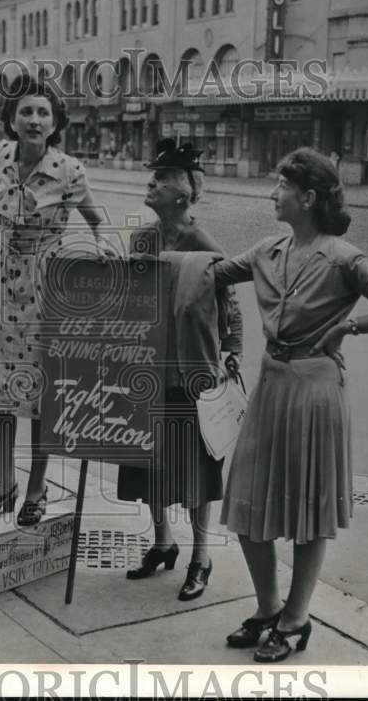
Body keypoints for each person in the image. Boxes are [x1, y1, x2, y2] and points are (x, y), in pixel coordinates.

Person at [215, 148, 368, 662]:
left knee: (307, 506)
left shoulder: (344, 258)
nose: (272, 193)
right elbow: (211, 272)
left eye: (281, 185)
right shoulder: (267, 251)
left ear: (306, 198)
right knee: (246, 500)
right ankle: (267, 607)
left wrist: (348, 326)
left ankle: (296, 617)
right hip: (272, 386)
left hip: (315, 390)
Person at [0, 75, 109, 526]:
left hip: (46, 288)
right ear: (12, 120)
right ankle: (5, 486)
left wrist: (101, 246)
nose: (33, 119)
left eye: (42, 112)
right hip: (3, 288)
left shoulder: (69, 171)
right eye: (25, 111)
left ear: (54, 123)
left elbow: (94, 218)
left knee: (42, 396)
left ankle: (35, 488)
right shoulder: (5, 155)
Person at [117, 139, 244, 602]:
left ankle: (200, 556)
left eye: (162, 177)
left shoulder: (205, 244)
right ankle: (161, 542)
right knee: (148, 461)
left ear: (184, 191)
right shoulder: (141, 240)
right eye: (153, 176)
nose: (151, 182)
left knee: (197, 468)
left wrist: (233, 350)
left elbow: (231, 306)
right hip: (147, 368)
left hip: (193, 371)